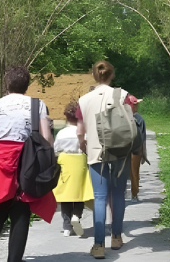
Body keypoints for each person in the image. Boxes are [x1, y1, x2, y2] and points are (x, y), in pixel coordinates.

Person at [0, 66, 55, 262]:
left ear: (6, 84)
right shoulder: (37, 105)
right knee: (21, 211)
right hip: (26, 162)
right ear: (26, 85)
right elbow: (46, 138)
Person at [76, 60, 138, 259]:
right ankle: (117, 237)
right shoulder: (124, 95)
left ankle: (99, 245)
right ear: (112, 75)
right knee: (118, 194)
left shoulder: (84, 100)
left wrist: (82, 144)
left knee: (100, 197)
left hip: (96, 152)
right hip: (120, 150)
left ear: (94, 75)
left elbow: (80, 131)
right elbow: (131, 120)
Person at [53, 101, 93, 237]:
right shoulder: (83, 133)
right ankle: (76, 215)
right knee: (79, 193)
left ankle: (66, 227)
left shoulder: (61, 134)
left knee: (66, 196)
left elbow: (56, 149)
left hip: (65, 164)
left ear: (66, 117)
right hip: (79, 162)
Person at [129, 98, 150, 202]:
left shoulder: (119, 118)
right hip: (136, 150)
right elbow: (142, 138)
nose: (136, 106)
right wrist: (143, 153)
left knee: (122, 172)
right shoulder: (139, 118)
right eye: (135, 104)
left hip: (122, 149)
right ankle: (134, 194)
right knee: (134, 172)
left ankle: (120, 193)